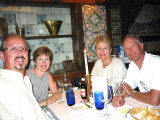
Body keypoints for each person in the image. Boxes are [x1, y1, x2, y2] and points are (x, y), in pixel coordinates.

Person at [0, 33, 50, 120]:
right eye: (13, 48)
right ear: (2, 56)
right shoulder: (3, 86)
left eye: (23, 48)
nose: (20, 53)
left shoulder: (23, 80)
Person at [112, 34, 160, 107]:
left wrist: (132, 93)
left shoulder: (156, 62)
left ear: (141, 46)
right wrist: (119, 95)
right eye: (126, 48)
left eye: (133, 46)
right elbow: (126, 86)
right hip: (150, 108)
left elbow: (155, 100)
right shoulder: (133, 64)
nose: (130, 50)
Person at [27, 46, 60, 120]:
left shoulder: (47, 75)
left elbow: (57, 94)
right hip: (30, 113)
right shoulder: (27, 75)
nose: (44, 62)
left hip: (42, 110)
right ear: (35, 62)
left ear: (50, 62)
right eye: (40, 59)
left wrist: (40, 105)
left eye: (47, 59)